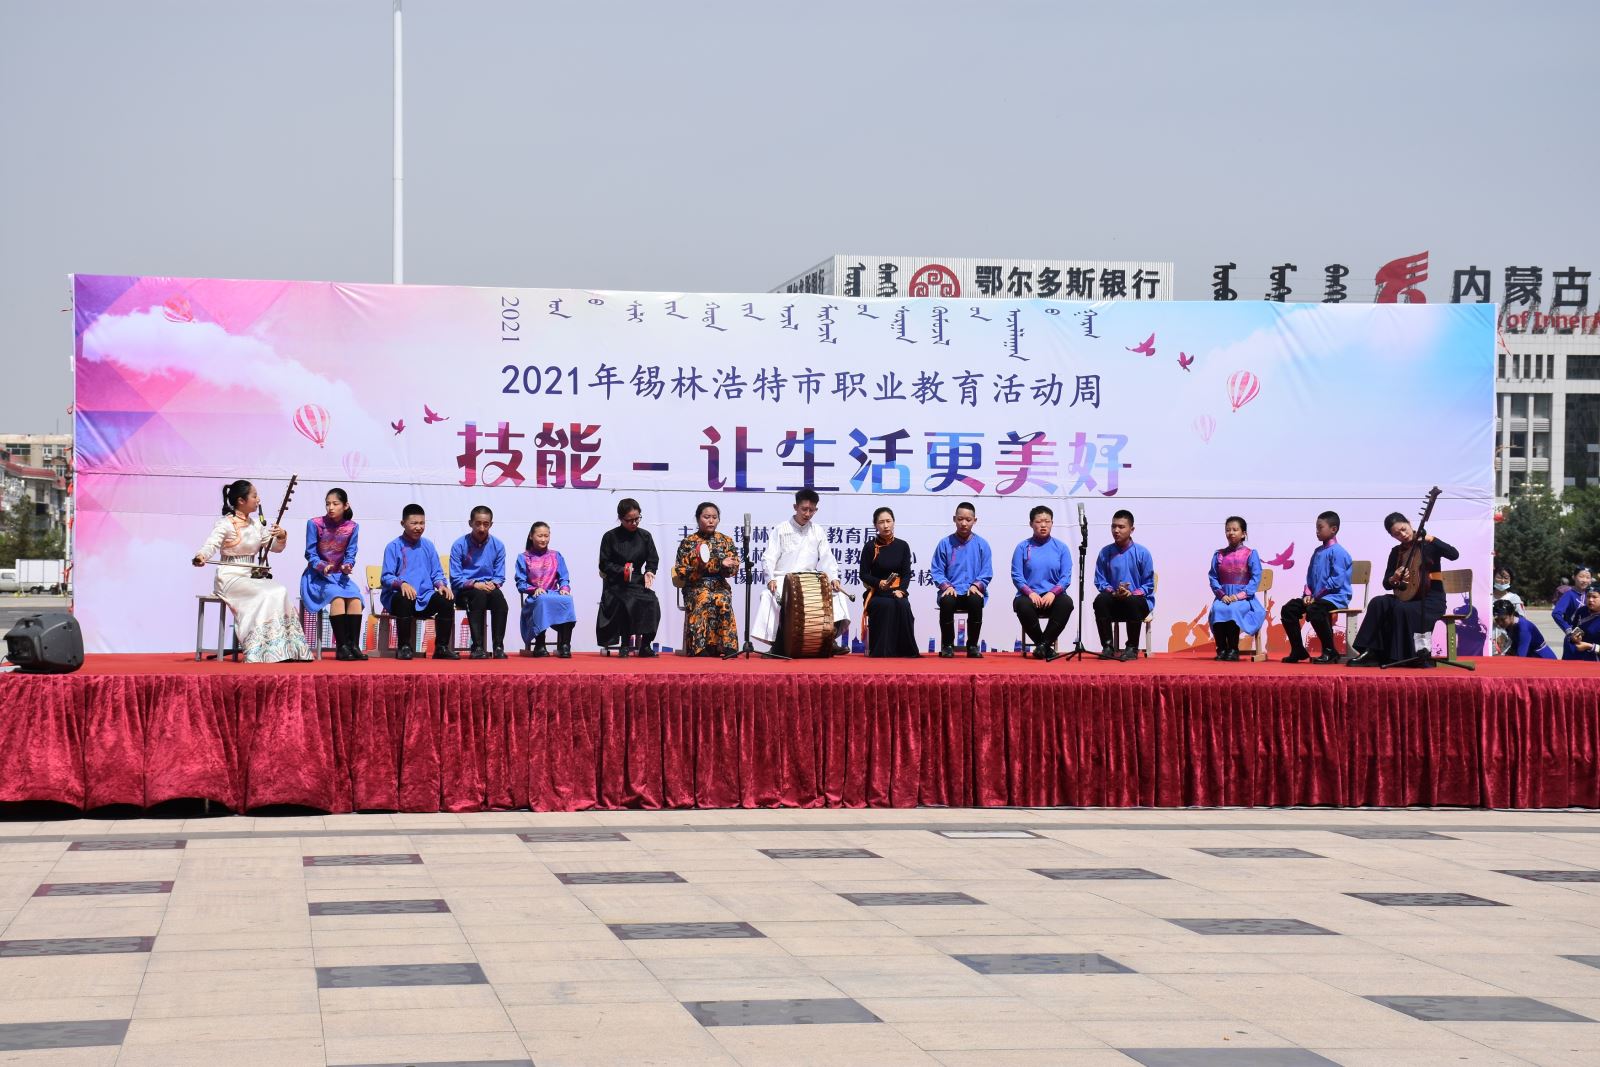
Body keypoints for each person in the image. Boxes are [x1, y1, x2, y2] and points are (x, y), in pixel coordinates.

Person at [192, 479, 314, 663]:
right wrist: (201, 556)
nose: (258, 500)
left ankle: (284, 650)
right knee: (265, 594)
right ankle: (259, 650)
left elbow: (274, 547)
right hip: (230, 576)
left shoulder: (256, 525)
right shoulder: (225, 524)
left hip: (249, 576)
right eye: (254, 496)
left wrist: (281, 536)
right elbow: (211, 544)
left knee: (279, 590)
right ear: (241, 500)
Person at [1347, 512, 1460, 668]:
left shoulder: (1428, 545)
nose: (1403, 535)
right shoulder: (1396, 552)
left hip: (1431, 599)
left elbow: (1454, 554)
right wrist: (1394, 578)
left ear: (1409, 523)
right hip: (1407, 597)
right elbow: (1386, 583)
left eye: (1403, 529)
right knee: (1378, 602)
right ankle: (1371, 652)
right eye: (1397, 534)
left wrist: (1431, 539)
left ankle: (1405, 657)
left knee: (1402, 609)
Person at [753, 489, 852, 653]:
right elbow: (768, 557)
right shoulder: (780, 529)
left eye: (811, 510)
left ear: (816, 510)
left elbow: (827, 557)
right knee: (768, 596)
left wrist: (834, 578)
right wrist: (770, 578)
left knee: (838, 595)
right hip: (783, 579)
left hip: (810, 581)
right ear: (795, 507)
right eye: (804, 509)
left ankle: (829, 639)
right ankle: (777, 645)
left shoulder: (818, 531)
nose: (807, 514)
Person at [380, 504, 457, 661]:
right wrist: (401, 584)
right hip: (399, 598)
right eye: (414, 523)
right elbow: (386, 577)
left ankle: (441, 648)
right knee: (405, 597)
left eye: (422, 523)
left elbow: (437, 572)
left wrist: (441, 585)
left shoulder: (428, 545)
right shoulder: (393, 546)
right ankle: (404, 647)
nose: (418, 527)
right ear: (403, 524)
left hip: (425, 597)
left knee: (446, 599)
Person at [300, 487, 367, 661]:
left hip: (340, 576)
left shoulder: (352, 527)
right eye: (328, 504)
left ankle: (353, 646)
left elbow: (351, 553)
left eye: (335, 504)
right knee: (337, 597)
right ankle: (342, 647)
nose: (330, 507)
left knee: (356, 598)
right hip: (317, 576)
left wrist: (347, 566)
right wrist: (322, 566)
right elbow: (310, 554)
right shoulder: (315, 524)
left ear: (345, 505)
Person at [1281, 510, 1352, 665]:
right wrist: (1307, 594)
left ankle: (1330, 650)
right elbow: (1310, 577)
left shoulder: (1339, 552)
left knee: (1315, 609)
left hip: (1335, 597)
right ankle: (1298, 650)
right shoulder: (1318, 552)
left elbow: (1336, 581)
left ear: (1333, 529)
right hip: (1316, 597)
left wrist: (1315, 597)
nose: (1317, 531)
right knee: (1289, 609)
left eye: (1320, 528)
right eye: (1316, 528)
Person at [672, 501, 740, 657]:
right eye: (707, 517)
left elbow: (733, 568)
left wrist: (727, 567)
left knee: (722, 599)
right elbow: (681, 571)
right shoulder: (688, 542)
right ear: (698, 519)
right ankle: (700, 648)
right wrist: (712, 564)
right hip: (695, 585)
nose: (711, 521)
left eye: (714, 517)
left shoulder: (726, 541)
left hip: (719, 584)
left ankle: (727, 647)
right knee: (704, 597)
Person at [597, 497, 660, 656]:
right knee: (627, 601)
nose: (634, 523)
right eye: (629, 520)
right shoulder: (610, 537)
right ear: (620, 518)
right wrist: (622, 570)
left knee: (652, 602)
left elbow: (653, 558)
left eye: (637, 519)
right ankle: (625, 643)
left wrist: (650, 571)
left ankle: (645, 645)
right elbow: (604, 564)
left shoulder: (645, 536)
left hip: (637, 581)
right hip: (615, 584)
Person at [930, 501, 993, 659]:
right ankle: (947, 645)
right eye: (960, 519)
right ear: (954, 519)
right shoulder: (944, 543)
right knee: (947, 601)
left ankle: (972, 646)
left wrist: (976, 585)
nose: (964, 523)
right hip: (951, 590)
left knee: (975, 601)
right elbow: (937, 570)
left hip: (972, 590)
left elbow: (986, 571)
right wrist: (946, 586)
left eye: (968, 519)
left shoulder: (982, 544)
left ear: (974, 521)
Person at [1011, 505, 1074, 661]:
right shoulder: (1022, 547)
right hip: (1029, 595)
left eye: (1047, 521)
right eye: (1039, 522)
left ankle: (1042, 645)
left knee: (1066, 603)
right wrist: (1030, 593)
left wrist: (1053, 593)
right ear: (1031, 524)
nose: (1043, 525)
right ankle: (1044, 646)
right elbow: (1017, 575)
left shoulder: (1061, 548)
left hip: (1053, 596)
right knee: (1022, 605)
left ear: (1052, 523)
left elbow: (1066, 577)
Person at [1092, 509, 1156, 661]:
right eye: (1113, 526)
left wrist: (1131, 593)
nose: (1116, 530)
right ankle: (1107, 647)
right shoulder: (1105, 552)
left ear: (1131, 529)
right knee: (1100, 600)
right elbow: (1100, 580)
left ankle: (1132, 647)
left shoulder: (1142, 553)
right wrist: (1113, 592)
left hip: (1137, 603)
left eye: (1121, 527)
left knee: (1133, 601)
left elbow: (1149, 584)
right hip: (1115, 600)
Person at [450, 505, 509, 659]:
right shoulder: (459, 545)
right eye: (478, 524)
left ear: (491, 524)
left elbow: (500, 576)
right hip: (465, 591)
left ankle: (498, 647)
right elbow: (455, 578)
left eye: (485, 524)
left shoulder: (498, 545)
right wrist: (475, 584)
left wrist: (493, 584)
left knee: (499, 599)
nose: (482, 528)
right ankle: (477, 647)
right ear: (470, 523)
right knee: (478, 596)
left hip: (488, 587)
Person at [859, 506, 919, 657]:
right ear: (875, 525)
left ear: (893, 522)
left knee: (903, 604)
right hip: (877, 592)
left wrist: (902, 590)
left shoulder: (903, 546)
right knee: (885, 605)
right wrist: (879, 583)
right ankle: (882, 651)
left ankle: (905, 651)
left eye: (888, 521)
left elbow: (906, 573)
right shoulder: (870, 547)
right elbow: (863, 574)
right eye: (881, 522)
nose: (885, 525)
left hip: (897, 591)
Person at [1206, 516, 1265, 663]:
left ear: (1243, 533)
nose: (1231, 533)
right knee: (1217, 609)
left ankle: (1233, 649)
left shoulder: (1250, 554)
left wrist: (1238, 596)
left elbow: (1255, 579)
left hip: (1245, 598)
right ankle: (1221, 649)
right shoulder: (1219, 554)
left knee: (1234, 609)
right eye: (1228, 530)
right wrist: (1221, 594)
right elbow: (1213, 577)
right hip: (1224, 597)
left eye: (1235, 529)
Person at [516, 521, 576, 658]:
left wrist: (564, 588)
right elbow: (521, 583)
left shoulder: (556, 555)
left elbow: (564, 577)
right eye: (540, 536)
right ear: (531, 536)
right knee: (542, 599)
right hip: (535, 597)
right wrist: (533, 589)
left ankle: (565, 645)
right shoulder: (524, 557)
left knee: (568, 600)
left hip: (554, 593)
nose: (543, 539)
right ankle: (540, 644)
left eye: (546, 536)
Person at [1552, 566, 1593, 660]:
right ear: (1574, 577)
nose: (1584, 580)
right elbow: (1556, 614)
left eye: (1588, 577)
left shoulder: (1591, 596)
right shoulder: (1569, 595)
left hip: (1590, 639)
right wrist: (1568, 630)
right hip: (1575, 639)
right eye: (1581, 576)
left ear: (1591, 580)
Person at [1489, 563, 1526, 655]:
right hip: (1488, 638)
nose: (1502, 581)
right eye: (1499, 577)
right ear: (1493, 578)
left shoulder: (1514, 598)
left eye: (1506, 578)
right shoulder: (1487, 596)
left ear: (1510, 580)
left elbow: (1521, 619)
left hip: (1507, 641)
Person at [1565, 586, 1600, 663]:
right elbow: (1575, 629)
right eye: (1588, 596)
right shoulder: (1582, 611)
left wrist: (1590, 647)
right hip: (1578, 658)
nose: (1590, 600)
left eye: (1594, 597)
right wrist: (1574, 637)